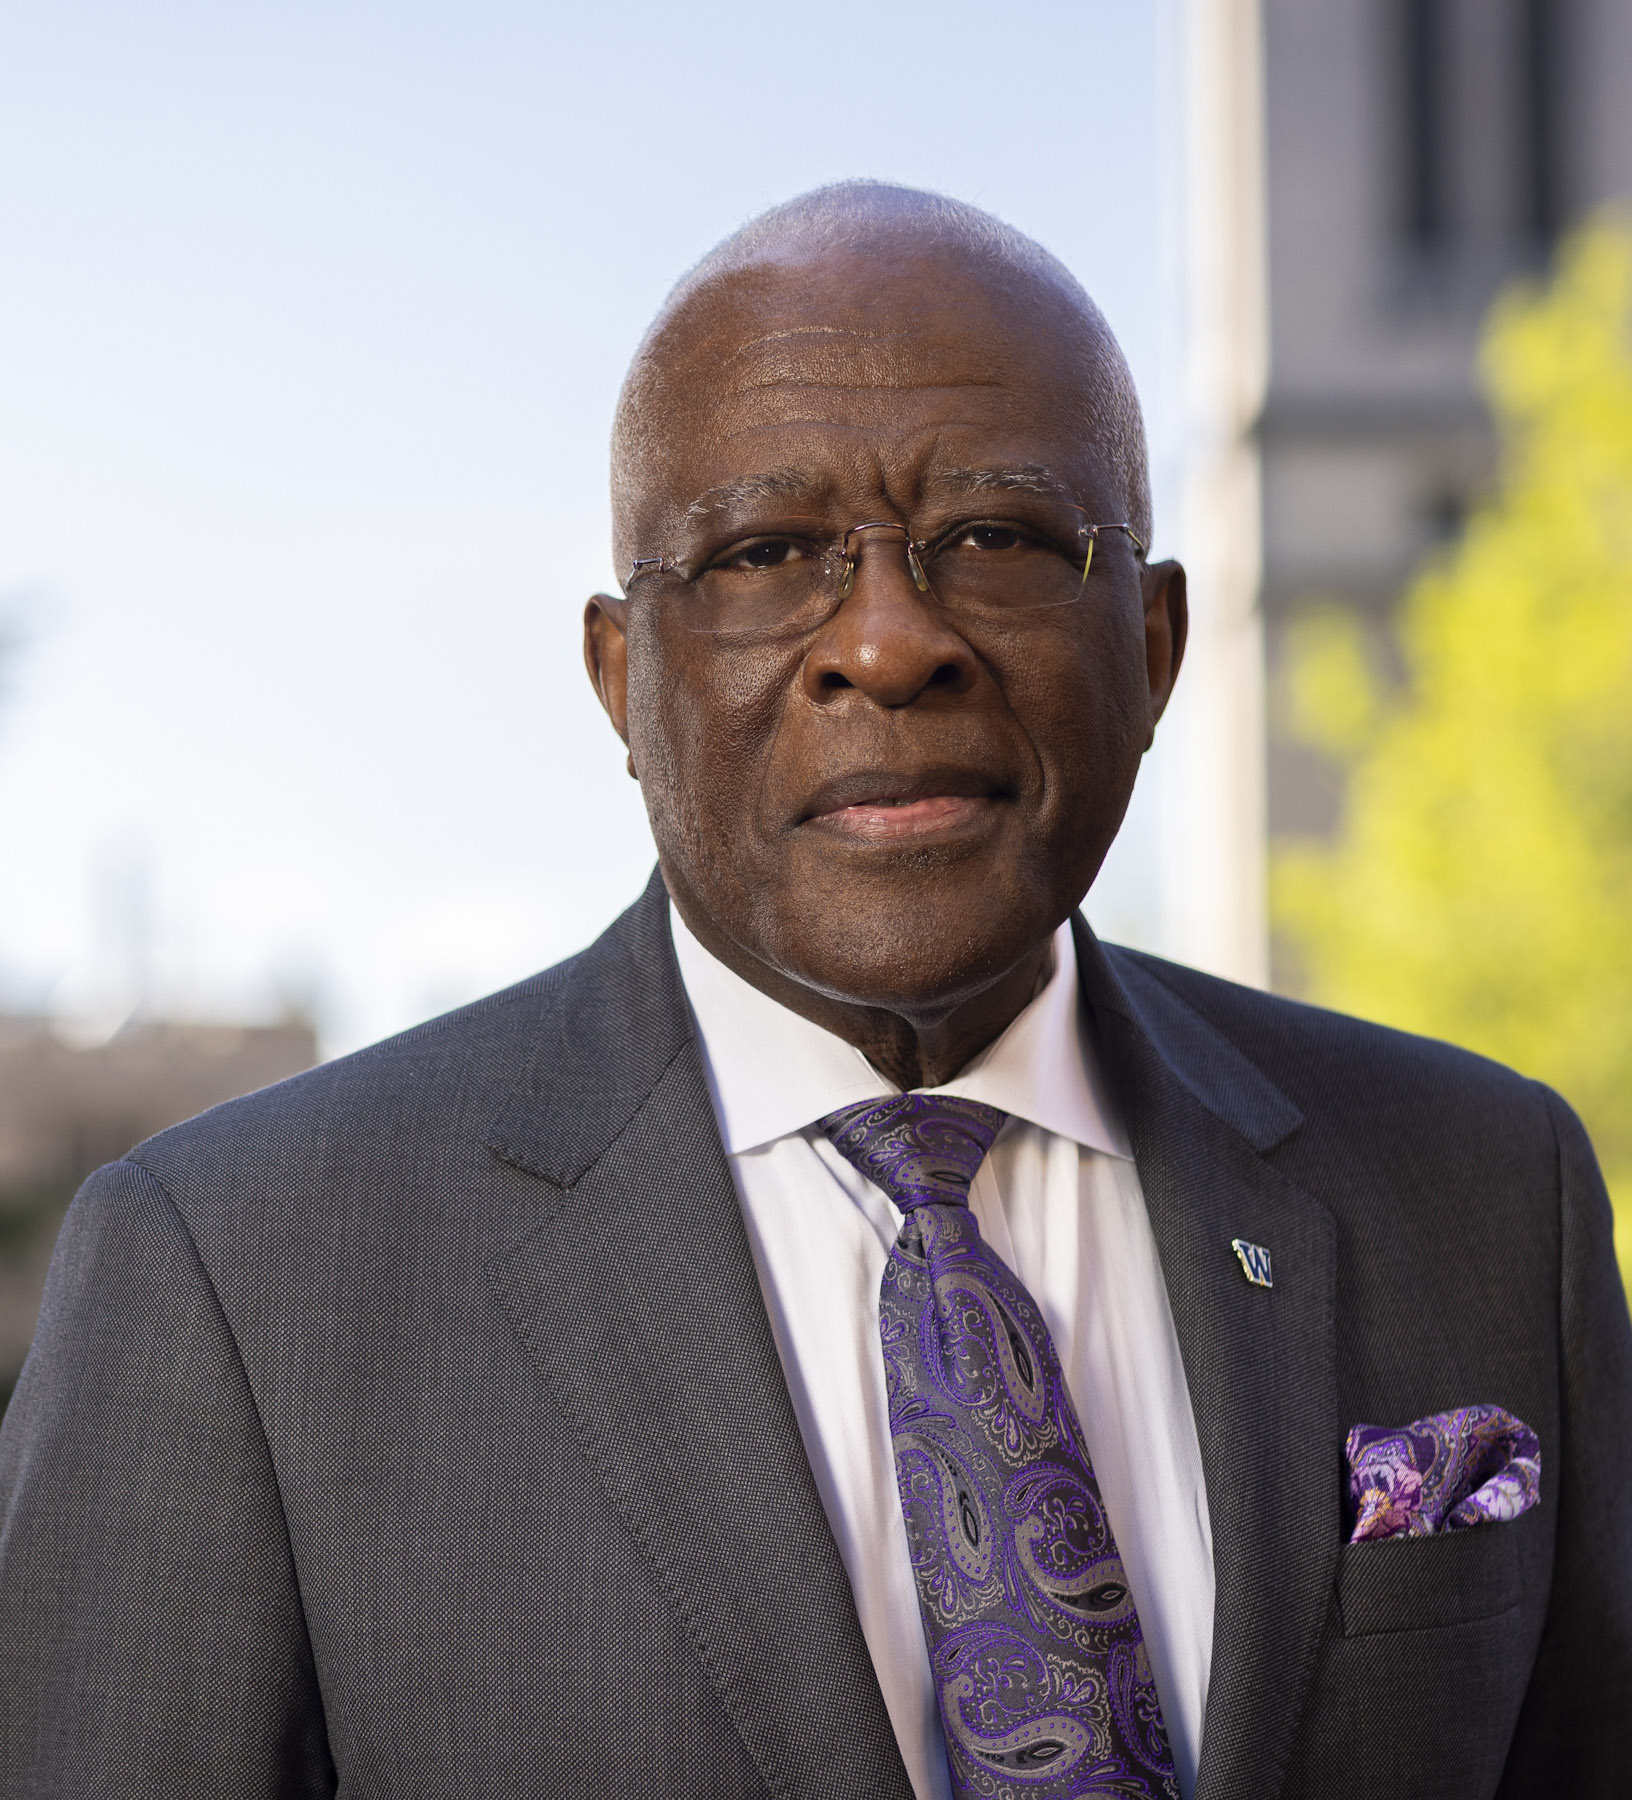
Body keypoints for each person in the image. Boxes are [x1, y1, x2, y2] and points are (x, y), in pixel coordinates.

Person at [2, 182, 1628, 1800]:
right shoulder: (237, 1283)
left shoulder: (1486, 1194)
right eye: (768, 553)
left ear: (1154, 643)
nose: (889, 639)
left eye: (993, 537)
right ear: (623, 681)